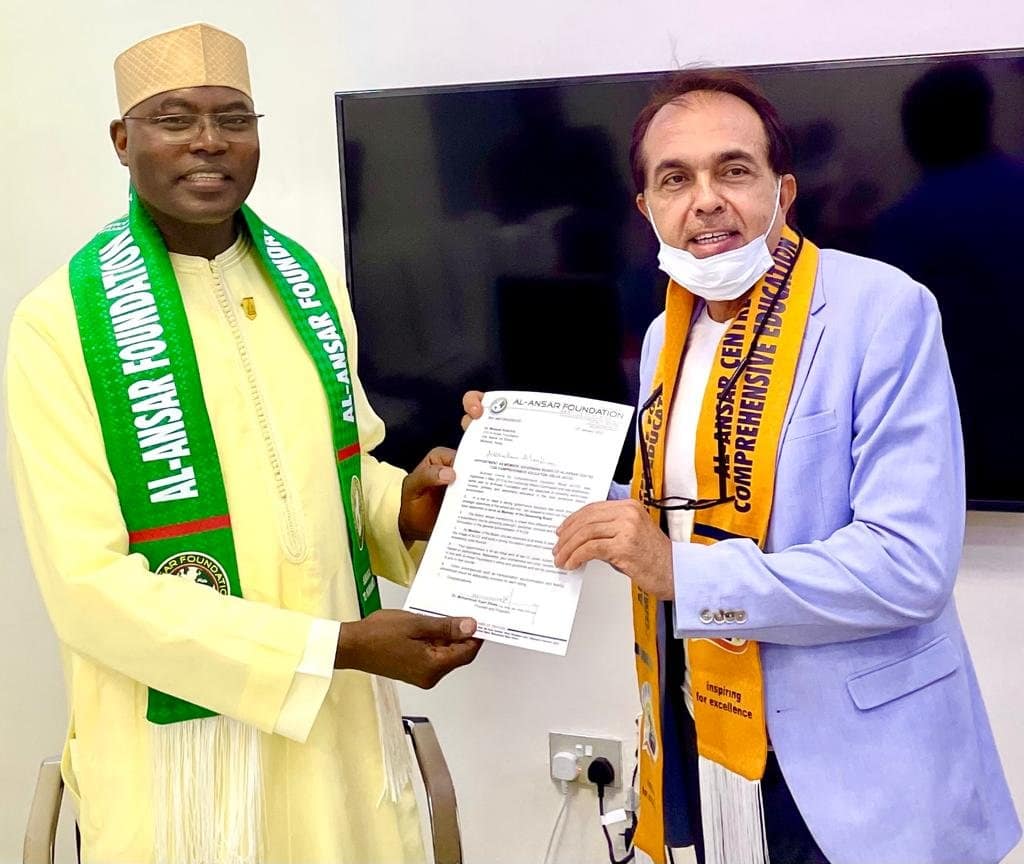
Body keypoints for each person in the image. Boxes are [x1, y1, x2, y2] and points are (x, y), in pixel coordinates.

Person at [464, 70, 1021, 864]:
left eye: (733, 170)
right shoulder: (666, 335)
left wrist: (681, 575)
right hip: (715, 734)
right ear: (646, 209)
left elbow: (908, 565)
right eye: (674, 179)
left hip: (864, 769)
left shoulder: (881, 310)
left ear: (782, 192)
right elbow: (679, 509)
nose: (705, 201)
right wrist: (520, 468)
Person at [6, 23, 481, 864]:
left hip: (337, 736)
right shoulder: (62, 324)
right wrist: (334, 647)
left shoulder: (309, 284)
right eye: (173, 119)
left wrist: (405, 509)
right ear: (122, 140)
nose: (209, 141)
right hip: (180, 760)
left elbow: (337, 476)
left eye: (233, 118)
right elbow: (87, 587)